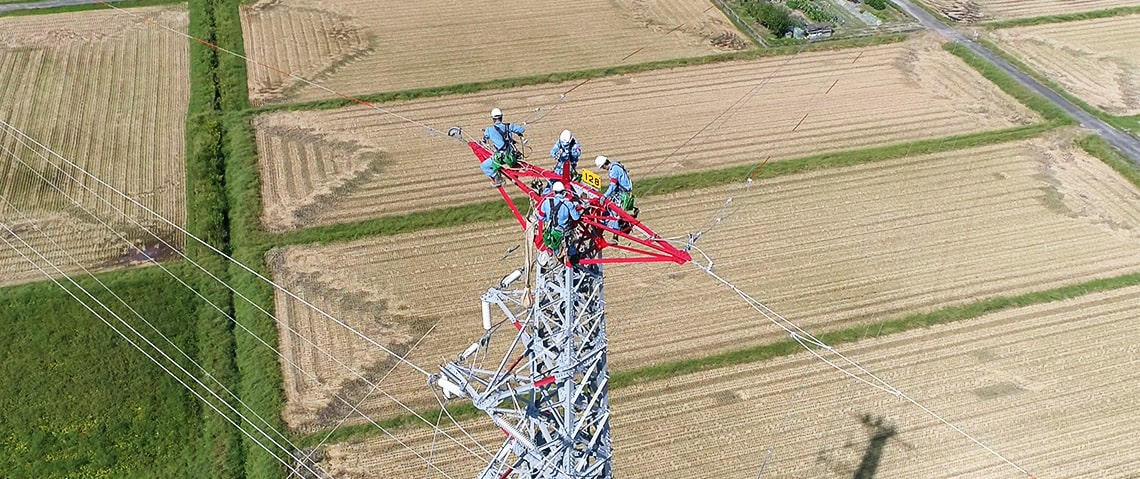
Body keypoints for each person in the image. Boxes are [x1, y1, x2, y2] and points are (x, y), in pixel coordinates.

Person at [480, 108, 526, 187]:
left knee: (484, 166)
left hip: (500, 158)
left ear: (493, 119)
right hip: (511, 157)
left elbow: (484, 139)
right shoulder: (509, 126)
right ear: (501, 117)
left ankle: (498, 178)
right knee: (515, 163)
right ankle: (515, 177)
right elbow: (521, 130)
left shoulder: (489, 130)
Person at [537, 181, 581, 258]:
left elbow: (541, 217)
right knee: (571, 253)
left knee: (555, 251)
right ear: (564, 192)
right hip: (563, 235)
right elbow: (576, 217)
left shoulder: (546, 202)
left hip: (551, 234)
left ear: (553, 192)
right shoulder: (568, 204)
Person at [594, 155, 635, 233]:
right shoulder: (615, 165)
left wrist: (605, 196)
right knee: (607, 209)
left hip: (623, 193)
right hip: (620, 191)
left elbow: (613, 185)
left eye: (603, 167)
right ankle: (603, 224)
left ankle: (615, 234)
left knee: (614, 211)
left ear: (604, 165)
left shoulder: (614, 170)